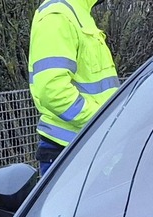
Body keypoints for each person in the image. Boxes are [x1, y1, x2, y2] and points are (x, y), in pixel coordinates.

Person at [29, 0, 119, 173]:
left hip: (91, 146)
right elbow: (53, 92)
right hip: (70, 152)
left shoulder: (79, 12)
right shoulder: (57, 15)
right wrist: (103, 121)